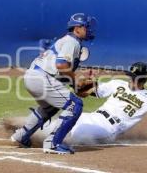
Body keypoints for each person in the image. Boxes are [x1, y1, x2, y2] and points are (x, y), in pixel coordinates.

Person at [11, 13, 97, 154]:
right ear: (77, 28)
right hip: (41, 78)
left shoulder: (68, 41)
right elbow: (62, 65)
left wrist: (79, 83)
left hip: (33, 77)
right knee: (75, 105)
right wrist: (77, 78)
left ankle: (21, 135)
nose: (89, 30)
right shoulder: (72, 42)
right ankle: (52, 143)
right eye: (87, 27)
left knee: (50, 108)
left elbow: (62, 75)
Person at [38, 62, 147, 144]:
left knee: (77, 134)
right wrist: (86, 81)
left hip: (109, 128)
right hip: (93, 117)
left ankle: (53, 144)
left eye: (134, 77)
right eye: (130, 76)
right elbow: (85, 93)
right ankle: (26, 133)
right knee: (62, 120)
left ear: (142, 80)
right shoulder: (117, 83)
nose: (130, 80)